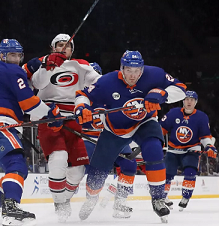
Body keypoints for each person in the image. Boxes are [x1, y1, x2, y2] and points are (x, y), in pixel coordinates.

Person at [74, 50, 187, 223]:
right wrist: (81, 108)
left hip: (144, 123)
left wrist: (162, 94)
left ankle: (157, 198)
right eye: (128, 70)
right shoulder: (106, 82)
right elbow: (83, 95)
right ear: (121, 68)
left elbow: (181, 89)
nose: (132, 75)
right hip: (114, 130)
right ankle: (91, 198)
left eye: (136, 71)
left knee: (154, 148)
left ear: (142, 68)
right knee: (97, 173)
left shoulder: (155, 74)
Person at [0, 39, 62, 226]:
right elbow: (28, 102)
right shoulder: (12, 71)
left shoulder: (1, 70)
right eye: (11, 55)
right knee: (18, 166)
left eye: (17, 55)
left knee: (13, 170)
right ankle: (11, 207)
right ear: (2, 56)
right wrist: (50, 113)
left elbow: (24, 73)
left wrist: (42, 60)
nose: (15, 59)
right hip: (0, 123)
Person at [31, 34, 101, 222]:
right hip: (49, 117)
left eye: (67, 45)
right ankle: (59, 202)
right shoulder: (45, 63)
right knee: (59, 159)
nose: (63, 48)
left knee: (78, 171)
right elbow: (37, 84)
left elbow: (99, 83)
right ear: (53, 48)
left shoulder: (81, 64)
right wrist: (48, 65)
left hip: (72, 118)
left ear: (72, 50)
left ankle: (64, 199)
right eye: (59, 45)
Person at [84, 62, 137, 219]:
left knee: (130, 165)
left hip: (112, 137)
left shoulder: (111, 92)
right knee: (96, 172)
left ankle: (120, 202)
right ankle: (91, 198)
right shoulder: (82, 95)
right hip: (88, 137)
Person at [159, 90, 217, 211]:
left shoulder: (202, 117)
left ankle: (186, 197)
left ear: (195, 102)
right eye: (186, 99)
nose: (189, 102)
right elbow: (162, 129)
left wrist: (209, 146)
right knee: (167, 175)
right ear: (183, 101)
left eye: (192, 100)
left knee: (190, 173)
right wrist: (156, 140)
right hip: (173, 149)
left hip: (192, 149)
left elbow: (205, 136)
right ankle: (162, 197)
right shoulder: (173, 113)